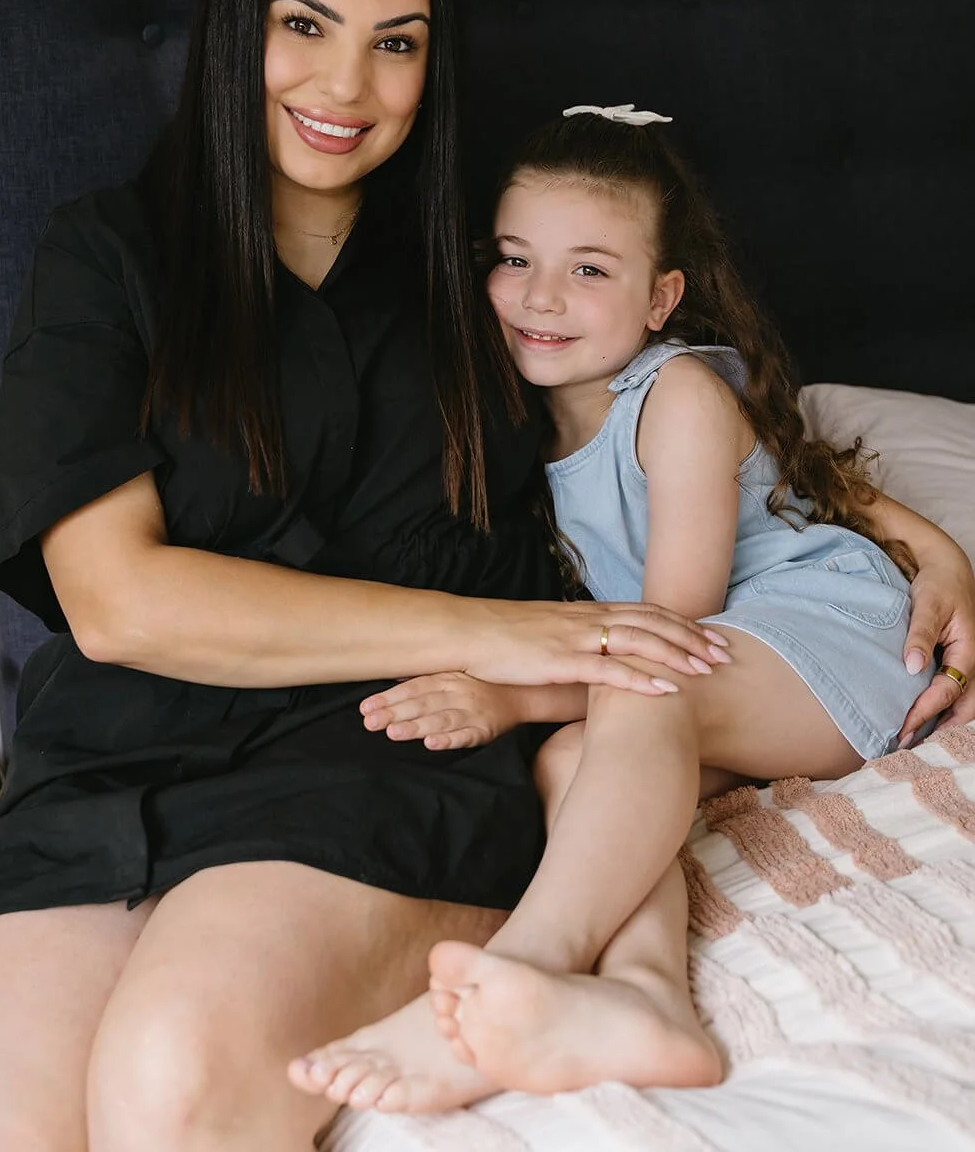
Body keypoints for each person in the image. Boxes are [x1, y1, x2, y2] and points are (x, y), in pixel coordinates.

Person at [0, 0, 730, 1152]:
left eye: (396, 45)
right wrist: (501, 631)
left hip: (389, 746)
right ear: (236, 28)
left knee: (168, 1086)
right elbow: (117, 605)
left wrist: (905, 535)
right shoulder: (106, 256)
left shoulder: (490, 262)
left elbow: (674, 404)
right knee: (6, 1123)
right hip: (116, 755)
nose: (345, 86)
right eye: (303, 25)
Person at [301, 102, 975, 1115]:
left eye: (589, 269)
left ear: (662, 297)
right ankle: (649, 1000)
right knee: (571, 767)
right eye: (514, 259)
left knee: (631, 694)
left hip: (838, 635)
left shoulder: (677, 398)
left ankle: (524, 965)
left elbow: (670, 635)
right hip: (727, 676)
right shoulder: (517, 431)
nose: (540, 296)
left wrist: (509, 699)